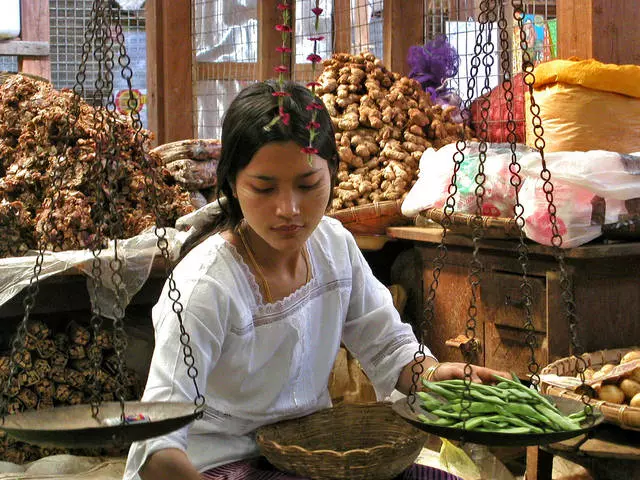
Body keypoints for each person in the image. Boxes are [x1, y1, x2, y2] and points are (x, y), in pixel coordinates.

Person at [124, 80, 504, 480]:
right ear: (233, 183)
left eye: (308, 186)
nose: (288, 209)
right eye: (263, 188)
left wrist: (434, 375)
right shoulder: (204, 287)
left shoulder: (333, 245)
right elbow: (156, 444)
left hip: (311, 456)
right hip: (221, 463)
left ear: (333, 173)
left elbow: (388, 345)